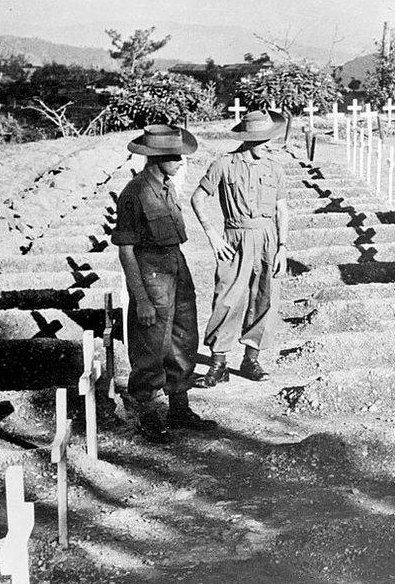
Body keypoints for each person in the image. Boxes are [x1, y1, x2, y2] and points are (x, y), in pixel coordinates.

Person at [112, 124, 217, 443]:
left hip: (175, 265)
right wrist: (140, 298)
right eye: (174, 156)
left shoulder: (168, 187)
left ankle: (179, 408)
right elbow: (126, 251)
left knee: (184, 336)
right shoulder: (134, 193)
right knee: (151, 344)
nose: (180, 161)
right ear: (156, 158)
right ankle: (147, 414)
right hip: (150, 271)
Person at [190, 110, 290, 387]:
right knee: (227, 299)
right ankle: (218, 364)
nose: (269, 144)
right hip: (235, 238)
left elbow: (282, 210)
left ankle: (251, 360)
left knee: (265, 298)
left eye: (270, 138)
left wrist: (282, 247)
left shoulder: (275, 167)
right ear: (247, 140)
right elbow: (197, 199)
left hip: (268, 239)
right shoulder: (224, 164)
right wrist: (213, 237)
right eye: (262, 139)